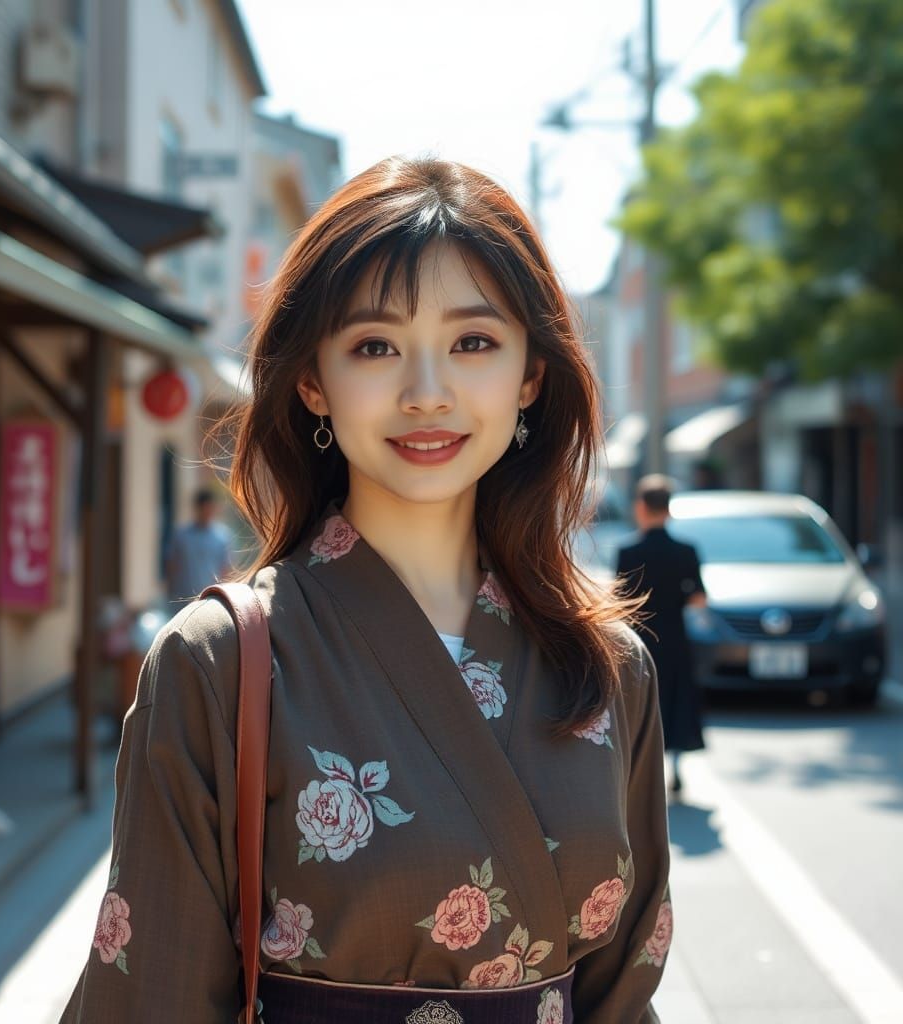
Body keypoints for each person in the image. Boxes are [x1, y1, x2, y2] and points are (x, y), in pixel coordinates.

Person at [62, 158, 672, 1023]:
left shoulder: (612, 666)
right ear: (313, 378)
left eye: (473, 342)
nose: (427, 394)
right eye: (375, 347)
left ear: (531, 374)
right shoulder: (221, 662)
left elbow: (627, 992)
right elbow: (149, 997)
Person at [616, 475, 707, 795]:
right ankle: (677, 767)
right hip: (676, 636)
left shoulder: (629, 551)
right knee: (676, 698)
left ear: (641, 507)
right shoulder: (686, 551)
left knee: (641, 700)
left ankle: (638, 772)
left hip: (639, 638)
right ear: (668, 509)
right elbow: (699, 598)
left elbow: (620, 601)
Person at [164, 488, 234, 606]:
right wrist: (169, 592)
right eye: (204, 508)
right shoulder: (181, 535)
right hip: (183, 599)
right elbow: (171, 565)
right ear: (197, 508)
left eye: (210, 507)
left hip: (211, 600)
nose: (207, 512)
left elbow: (226, 569)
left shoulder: (222, 537)